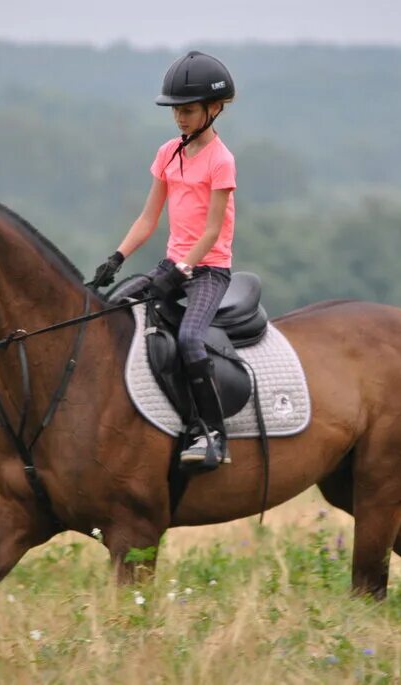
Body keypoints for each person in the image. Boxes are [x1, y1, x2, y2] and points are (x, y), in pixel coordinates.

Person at [92, 50, 237, 466]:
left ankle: (213, 434)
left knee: (191, 339)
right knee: (115, 310)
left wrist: (182, 269)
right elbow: (148, 217)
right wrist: (117, 258)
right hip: (172, 264)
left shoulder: (221, 161)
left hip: (207, 269)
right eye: (176, 111)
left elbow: (212, 232)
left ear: (214, 108)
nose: (180, 119)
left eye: (188, 111)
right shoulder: (168, 153)